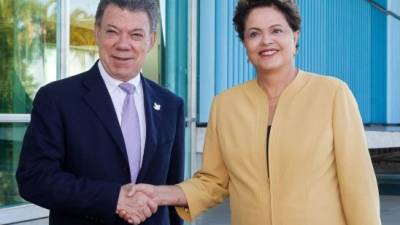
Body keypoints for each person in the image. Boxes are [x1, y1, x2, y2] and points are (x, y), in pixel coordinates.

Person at [118, 0, 382, 225]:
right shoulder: (225, 105)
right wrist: (160, 194)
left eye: (276, 30)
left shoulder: (333, 94)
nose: (266, 40)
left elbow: (358, 187)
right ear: (244, 43)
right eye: (254, 33)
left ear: (295, 35)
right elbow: (213, 182)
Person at [16, 0, 184, 225]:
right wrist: (113, 198)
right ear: (96, 33)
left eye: (136, 35)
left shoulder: (171, 105)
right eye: (112, 32)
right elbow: (34, 179)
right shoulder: (56, 99)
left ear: (151, 40)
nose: (123, 45)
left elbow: (171, 191)